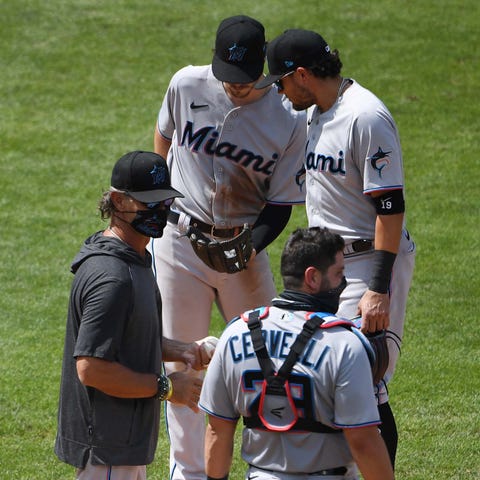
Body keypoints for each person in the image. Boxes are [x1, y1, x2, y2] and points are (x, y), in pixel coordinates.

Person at [150, 15, 307, 479]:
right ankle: (189, 473)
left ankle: (271, 469)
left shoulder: (288, 119)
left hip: (244, 251)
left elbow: (280, 205)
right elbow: (163, 137)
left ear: (263, 66)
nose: (233, 87)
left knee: (270, 358)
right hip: (180, 243)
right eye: (226, 76)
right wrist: (156, 204)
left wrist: (247, 247)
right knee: (183, 357)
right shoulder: (186, 84)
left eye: (243, 78)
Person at [255, 29, 416, 468]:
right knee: (325, 373)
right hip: (330, 264)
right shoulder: (315, 113)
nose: (281, 93)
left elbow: (390, 208)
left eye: (283, 82)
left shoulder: (366, 117)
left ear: (303, 75)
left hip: (369, 264)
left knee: (363, 380)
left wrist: (378, 288)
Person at [55, 151, 214, 480]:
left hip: (119, 446)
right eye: (148, 203)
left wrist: (181, 349)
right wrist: (168, 388)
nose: (158, 211)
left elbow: (131, 334)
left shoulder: (134, 258)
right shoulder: (112, 277)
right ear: (118, 201)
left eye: (164, 201)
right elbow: (92, 368)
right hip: (107, 449)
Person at [199, 227, 395, 480]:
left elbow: (217, 431)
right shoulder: (345, 344)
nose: (343, 284)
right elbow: (363, 442)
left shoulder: (235, 334)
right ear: (312, 278)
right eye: (338, 274)